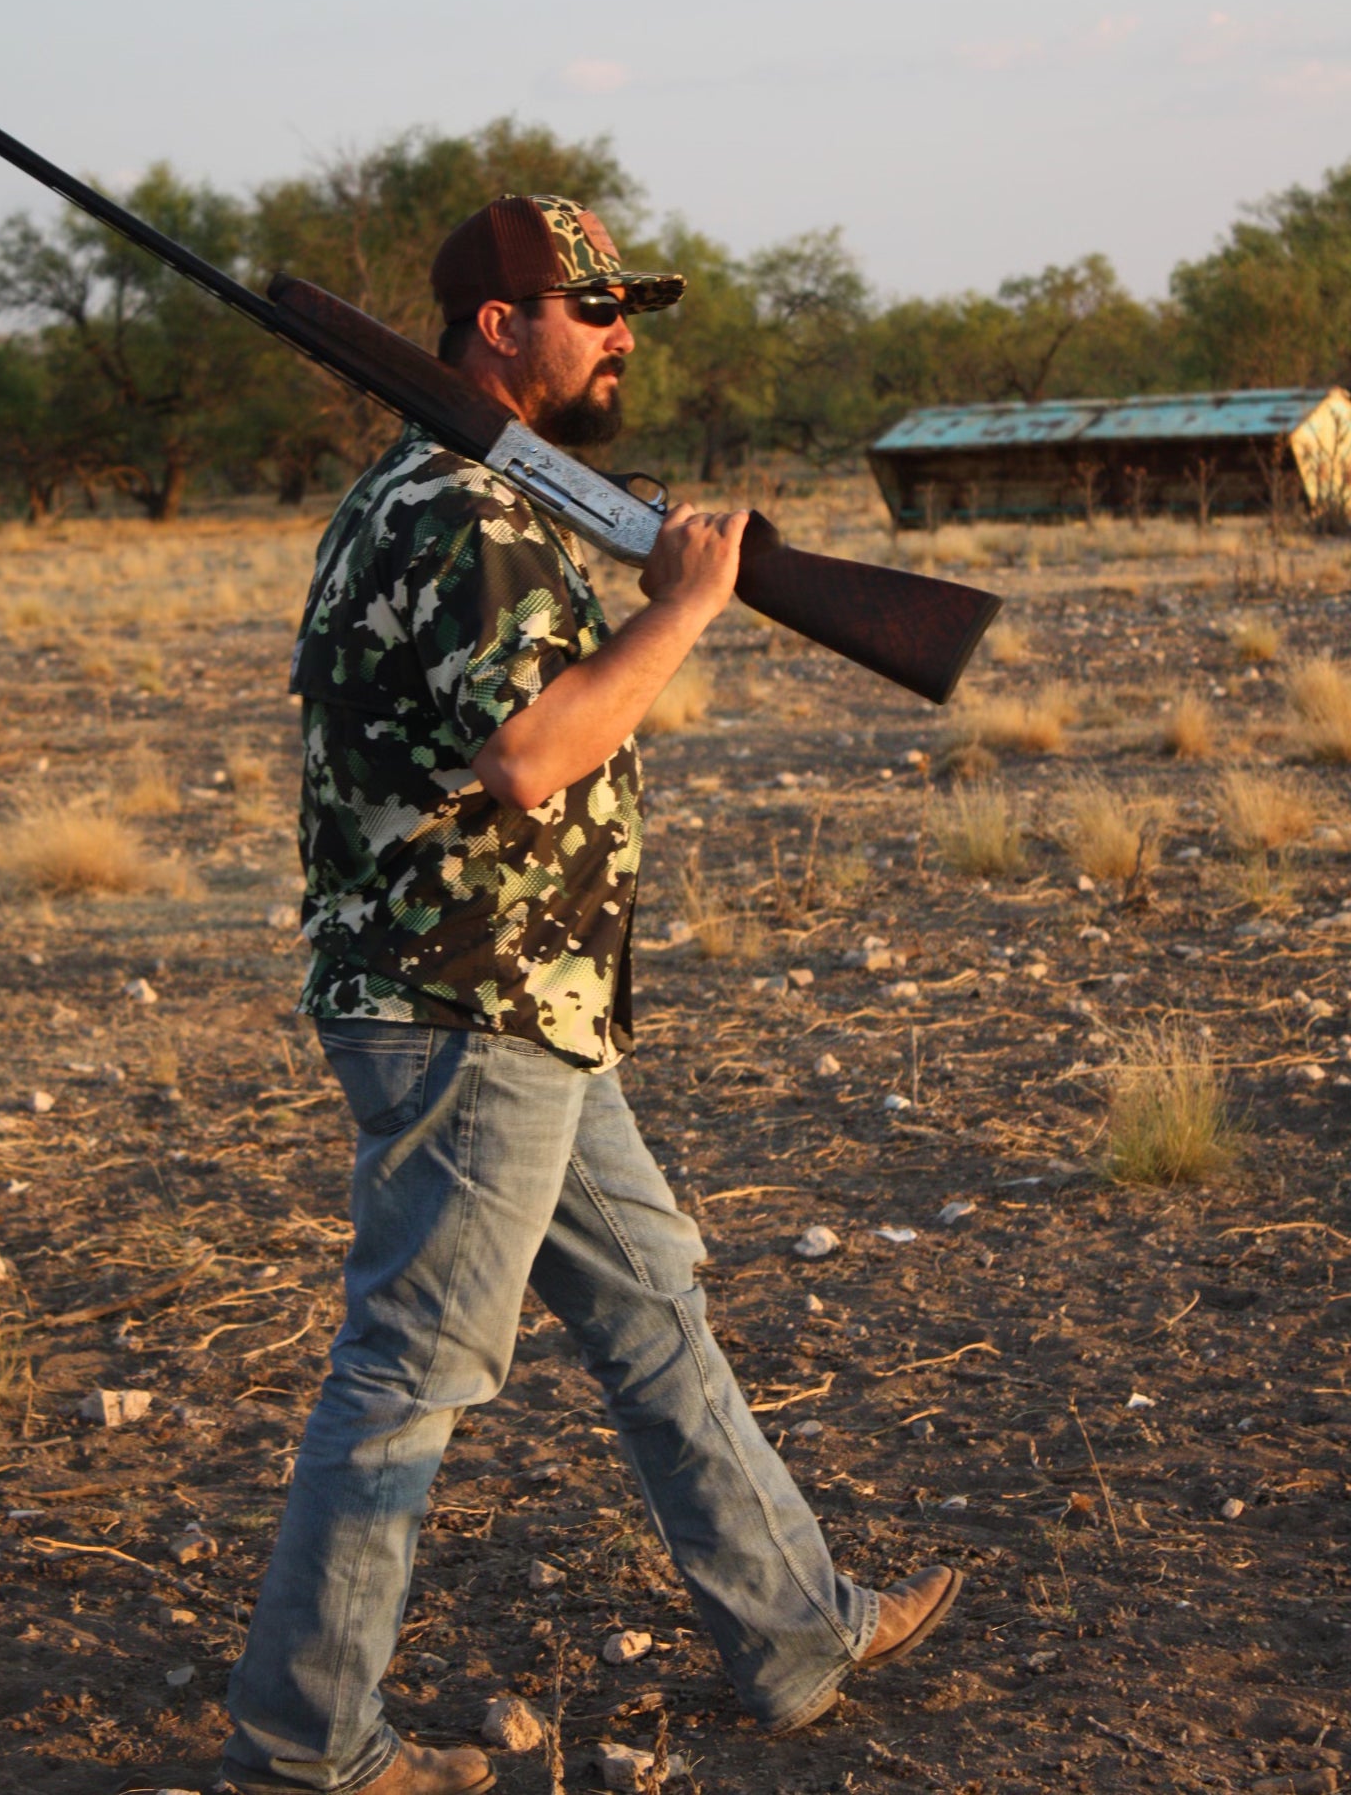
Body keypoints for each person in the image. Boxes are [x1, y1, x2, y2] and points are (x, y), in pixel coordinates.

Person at [210, 196, 960, 1795]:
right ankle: (303, 1751)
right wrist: (683, 605)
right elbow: (534, 752)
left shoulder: (440, 494)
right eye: (593, 305)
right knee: (410, 1377)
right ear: (498, 326)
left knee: (651, 1306)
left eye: (631, 307)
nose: (624, 332)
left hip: (519, 999)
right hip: (465, 1005)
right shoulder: (463, 516)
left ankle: (795, 1630)